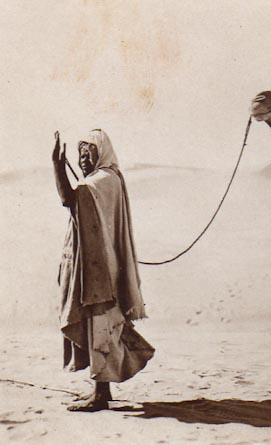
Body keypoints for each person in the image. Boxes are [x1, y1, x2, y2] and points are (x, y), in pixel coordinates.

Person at [52, 129, 154, 412]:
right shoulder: (107, 179)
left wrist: (57, 167)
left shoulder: (103, 180)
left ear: (102, 154)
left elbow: (69, 199)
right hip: (99, 267)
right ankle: (101, 390)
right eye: (80, 155)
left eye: (89, 154)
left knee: (101, 326)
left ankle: (99, 394)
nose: (83, 160)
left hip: (101, 273)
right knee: (100, 326)